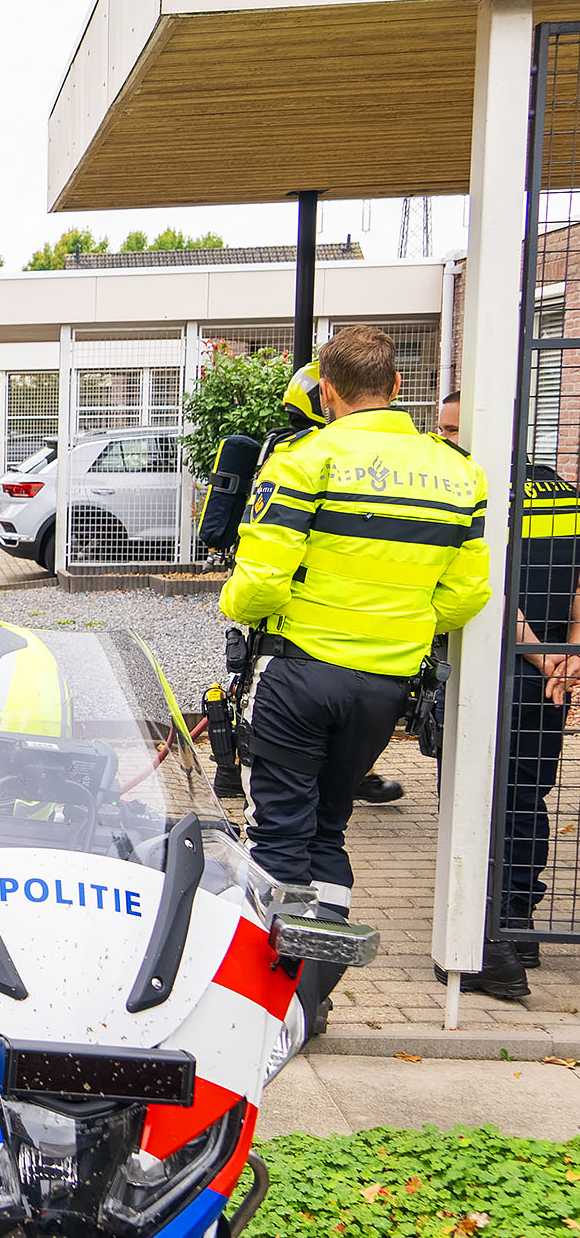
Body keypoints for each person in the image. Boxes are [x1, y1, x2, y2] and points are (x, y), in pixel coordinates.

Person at [222, 326, 491, 1034]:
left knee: (277, 833)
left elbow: (256, 586)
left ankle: (264, 1005)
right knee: (331, 828)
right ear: (399, 387)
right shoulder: (458, 471)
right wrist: (398, 622)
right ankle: (314, 995)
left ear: (328, 392)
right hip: (385, 682)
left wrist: (250, 609)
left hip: (300, 672)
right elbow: (467, 595)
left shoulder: (307, 460)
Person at [429, 391, 576, 998]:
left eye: (455, 429)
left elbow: (486, 588)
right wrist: (568, 657)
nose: (446, 439)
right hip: (548, 680)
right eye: (441, 428)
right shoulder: (563, 493)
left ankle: (482, 923)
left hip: (494, 668)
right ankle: (517, 920)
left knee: (473, 795)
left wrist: (547, 656)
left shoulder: (468, 492)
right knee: (529, 796)